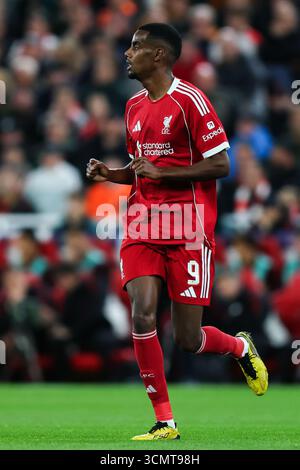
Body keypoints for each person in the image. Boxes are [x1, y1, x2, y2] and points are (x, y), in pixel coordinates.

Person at [86, 23, 268, 441]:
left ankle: (239, 347)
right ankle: (164, 420)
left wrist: (167, 174)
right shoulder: (132, 106)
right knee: (142, 311)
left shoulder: (191, 101)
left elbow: (221, 166)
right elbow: (141, 171)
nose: (126, 54)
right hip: (142, 224)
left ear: (159, 56)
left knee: (187, 337)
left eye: (135, 47)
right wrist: (110, 174)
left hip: (188, 227)